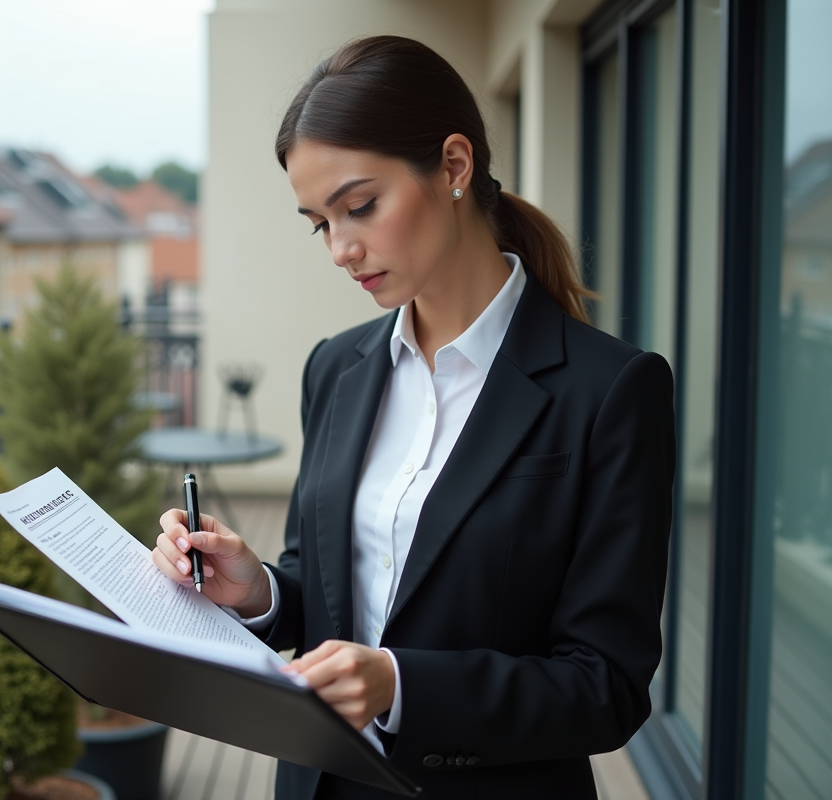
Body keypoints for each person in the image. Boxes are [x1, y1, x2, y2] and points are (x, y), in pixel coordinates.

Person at [151, 35, 675, 800]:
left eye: (360, 206)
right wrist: (257, 589)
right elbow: (330, 588)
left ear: (455, 166)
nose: (340, 248)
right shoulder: (336, 367)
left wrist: (401, 685)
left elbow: (606, 688)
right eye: (319, 222)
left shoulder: (612, 390)